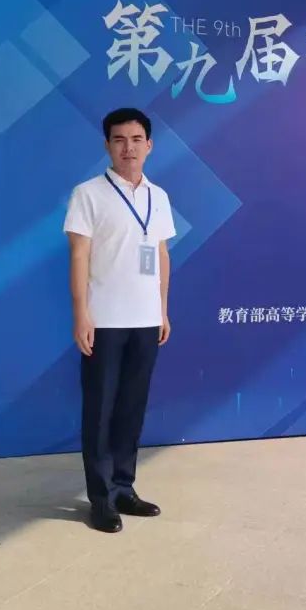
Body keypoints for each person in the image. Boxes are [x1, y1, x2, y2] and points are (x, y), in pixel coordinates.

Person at [63, 107, 175, 533]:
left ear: (149, 145)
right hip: (104, 320)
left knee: (132, 407)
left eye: (136, 139)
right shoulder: (88, 194)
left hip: (146, 320)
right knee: (100, 410)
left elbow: (161, 255)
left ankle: (124, 487)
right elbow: (79, 255)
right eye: (119, 140)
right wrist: (81, 313)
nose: (128, 148)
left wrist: (162, 310)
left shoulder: (158, 196)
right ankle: (100, 499)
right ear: (107, 145)